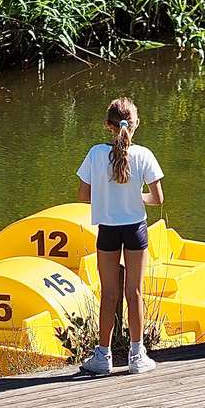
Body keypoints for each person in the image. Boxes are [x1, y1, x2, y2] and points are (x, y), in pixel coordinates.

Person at [75, 96, 164, 376]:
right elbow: (158, 198)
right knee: (134, 292)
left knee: (109, 293)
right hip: (135, 228)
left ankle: (103, 356)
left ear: (107, 125)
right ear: (135, 125)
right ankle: (137, 355)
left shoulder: (95, 154)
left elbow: (83, 196)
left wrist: (107, 199)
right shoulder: (144, 155)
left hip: (108, 230)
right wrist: (135, 196)